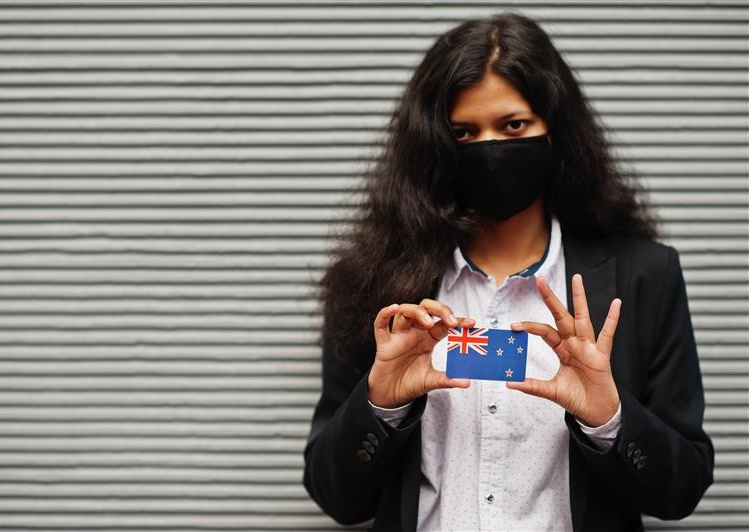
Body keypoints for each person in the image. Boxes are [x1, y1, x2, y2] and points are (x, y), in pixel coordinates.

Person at [302, 12, 714, 532]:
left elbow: (682, 490)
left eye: (513, 125)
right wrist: (380, 403)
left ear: (555, 129)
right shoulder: (375, 283)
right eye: (464, 132)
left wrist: (610, 418)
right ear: (435, 144)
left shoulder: (644, 277)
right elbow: (336, 497)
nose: (491, 149)